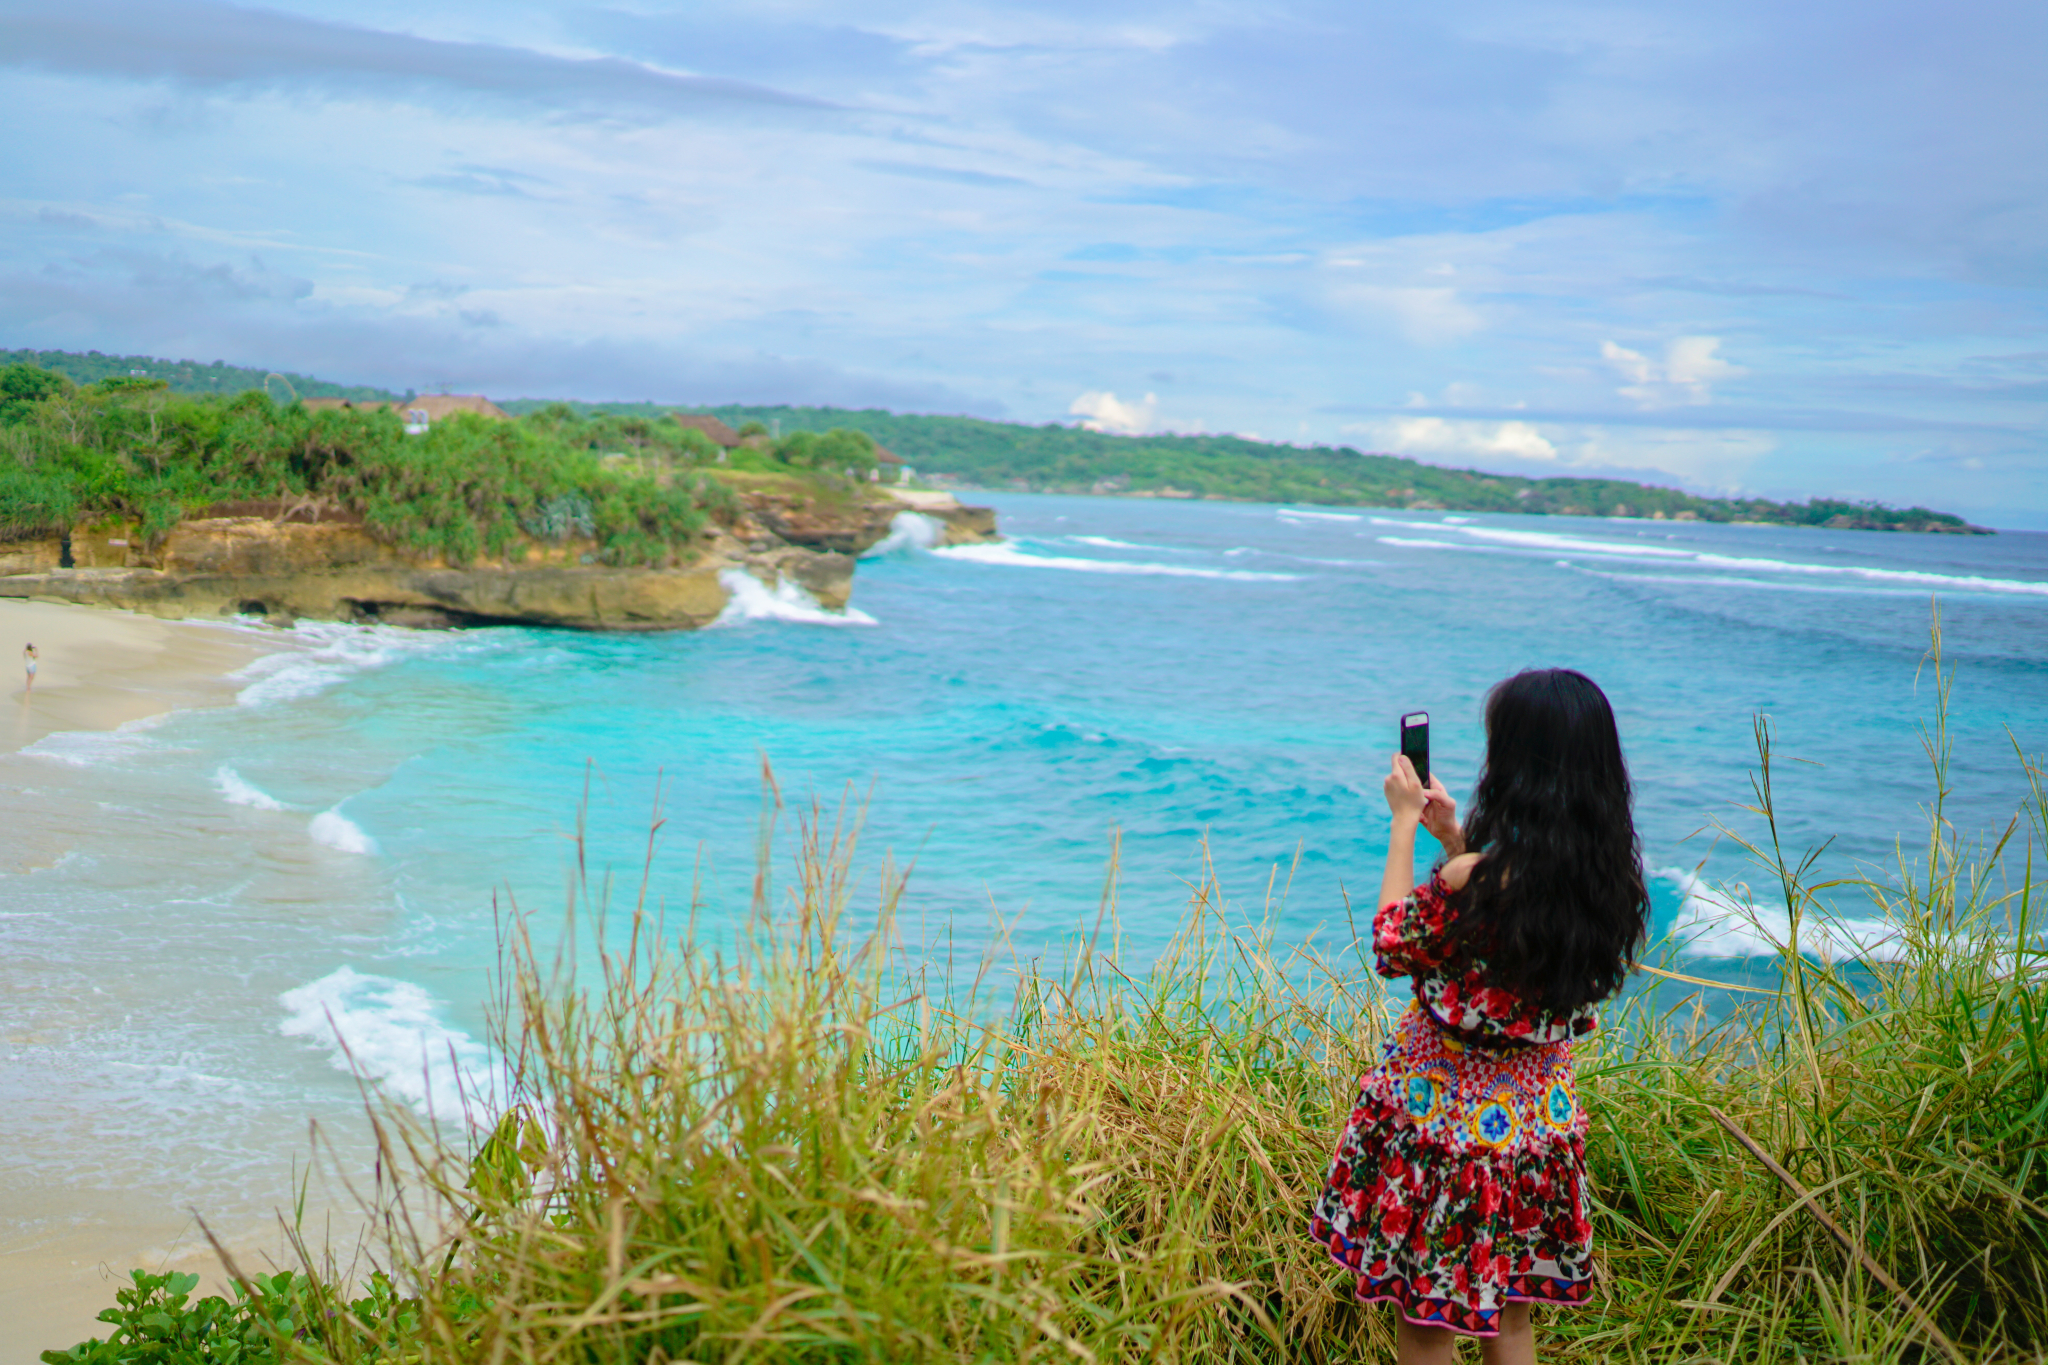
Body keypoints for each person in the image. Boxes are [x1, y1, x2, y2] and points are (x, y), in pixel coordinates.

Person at [1310, 669, 1650, 1364]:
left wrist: (1405, 823)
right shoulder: (1602, 882)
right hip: (1533, 1134)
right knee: (1511, 1320)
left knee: (1427, 1322)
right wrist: (1453, 836)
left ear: (1516, 765)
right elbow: (1508, 925)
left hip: (1448, 1136)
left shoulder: (1480, 882)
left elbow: (1391, 942)